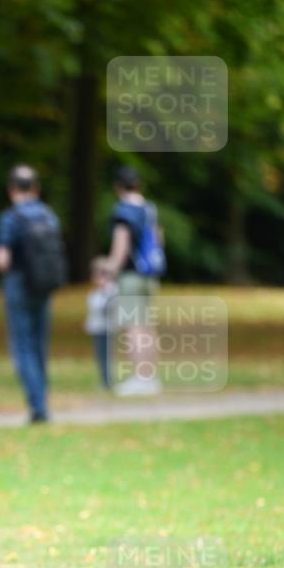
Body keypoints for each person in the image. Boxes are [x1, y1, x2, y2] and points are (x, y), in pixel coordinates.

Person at [0, 165, 64, 423]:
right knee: (39, 344)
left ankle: (37, 406)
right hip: (44, 286)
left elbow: (2, 260)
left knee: (23, 346)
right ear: (36, 188)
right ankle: (43, 400)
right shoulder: (49, 215)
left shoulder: (11, 218)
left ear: (12, 189)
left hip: (19, 285)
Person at [105, 166, 164, 396]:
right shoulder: (150, 208)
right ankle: (151, 376)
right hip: (150, 274)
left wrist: (110, 269)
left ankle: (140, 378)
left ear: (118, 186)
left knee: (133, 327)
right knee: (148, 326)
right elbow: (158, 240)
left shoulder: (123, 211)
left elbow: (122, 246)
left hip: (131, 275)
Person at [85, 257, 117, 389]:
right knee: (100, 356)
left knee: (108, 355)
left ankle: (109, 380)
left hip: (108, 329)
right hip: (97, 329)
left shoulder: (112, 291)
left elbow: (109, 308)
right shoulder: (94, 294)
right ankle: (104, 380)